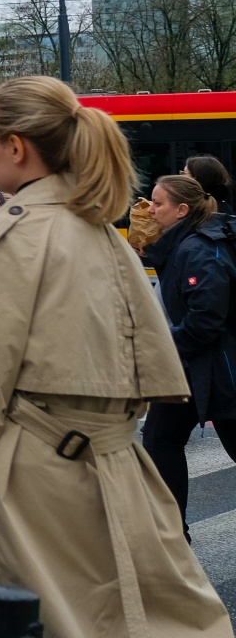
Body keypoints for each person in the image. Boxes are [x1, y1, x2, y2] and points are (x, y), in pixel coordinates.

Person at [0, 76, 235, 638]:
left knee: (19, 637)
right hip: (118, 471)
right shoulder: (102, 232)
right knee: (146, 635)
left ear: (19, 147)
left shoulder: (3, 237)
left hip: (29, 479)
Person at [137, 171, 236, 532]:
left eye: (157, 203)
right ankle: (171, 536)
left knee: (161, 440)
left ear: (181, 210)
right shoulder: (185, 244)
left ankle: (172, 536)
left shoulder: (196, 250)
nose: (149, 210)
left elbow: (204, 321)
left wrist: (157, 347)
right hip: (197, 368)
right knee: (160, 438)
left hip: (216, 371)